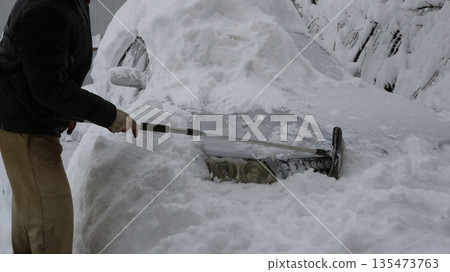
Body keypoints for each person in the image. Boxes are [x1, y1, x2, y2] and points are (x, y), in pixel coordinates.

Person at [0, 0, 137, 253]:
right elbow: (49, 87)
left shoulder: (70, 4)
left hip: (31, 121)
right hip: (26, 130)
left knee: (34, 224)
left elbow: (55, 67)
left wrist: (67, 109)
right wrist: (110, 115)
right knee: (52, 228)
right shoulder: (46, 9)